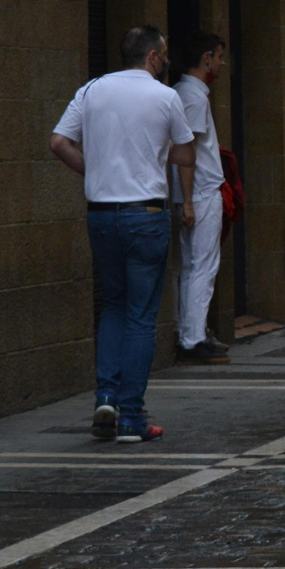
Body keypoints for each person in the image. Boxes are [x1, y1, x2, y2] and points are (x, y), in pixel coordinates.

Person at [49, 26, 197, 444]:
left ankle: (106, 397)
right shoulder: (166, 97)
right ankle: (132, 415)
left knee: (113, 305)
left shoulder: (92, 90)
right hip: (146, 215)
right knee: (141, 316)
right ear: (153, 57)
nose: (166, 61)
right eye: (164, 55)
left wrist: (95, 170)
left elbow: (59, 142)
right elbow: (186, 153)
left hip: (101, 216)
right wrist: (154, 150)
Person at [172, 31, 230, 366]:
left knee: (190, 265)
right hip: (202, 192)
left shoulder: (184, 93)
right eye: (219, 56)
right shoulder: (193, 97)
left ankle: (192, 330)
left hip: (194, 192)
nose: (222, 63)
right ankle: (192, 338)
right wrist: (190, 200)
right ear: (206, 59)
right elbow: (187, 148)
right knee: (201, 266)